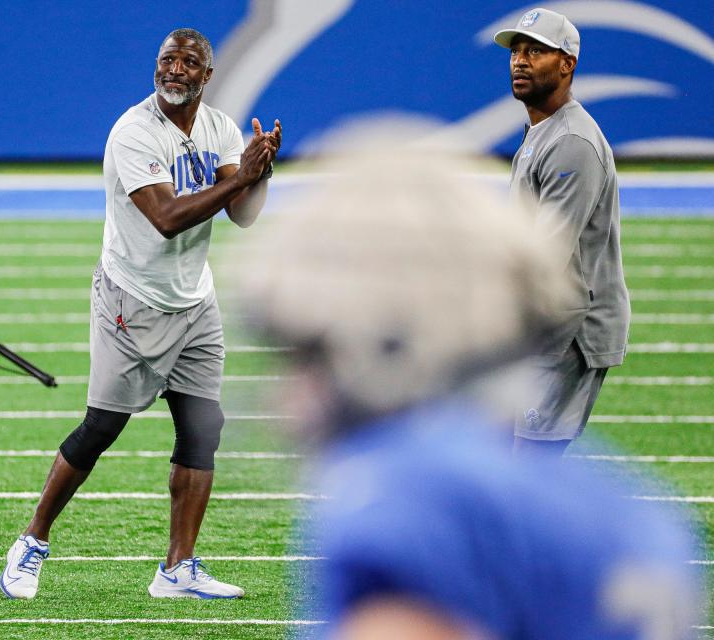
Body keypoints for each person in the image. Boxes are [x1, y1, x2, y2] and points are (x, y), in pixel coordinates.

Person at [234, 127, 701, 639]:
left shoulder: (409, 497)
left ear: (383, 346)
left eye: (309, 353)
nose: (287, 398)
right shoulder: (632, 516)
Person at [0, 27, 281, 600]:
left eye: (188, 62)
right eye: (166, 60)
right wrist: (243, 177)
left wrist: (261, 171)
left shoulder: (220, 128)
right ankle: (32, 542)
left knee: (204, 430)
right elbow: (168, 216)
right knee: (102, 428)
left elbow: (244, 215)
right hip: (134, 299)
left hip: (195, 300)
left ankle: (177, 568)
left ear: (208, 75)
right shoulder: (132, 132)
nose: (174, 69)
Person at [494, 7, 631, 455]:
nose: (520, 61)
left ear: (567, 64)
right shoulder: (541, 130)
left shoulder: (571, 142)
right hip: (539, 323)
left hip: (566, 332)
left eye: (536, 51)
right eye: (516, 51)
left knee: (530, 467)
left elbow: (545, 257)